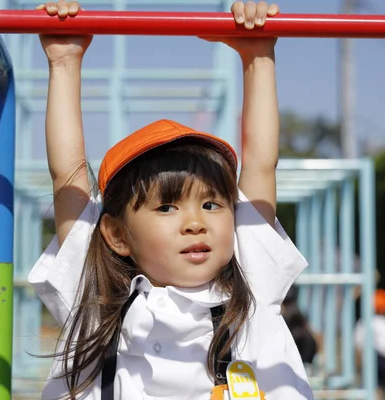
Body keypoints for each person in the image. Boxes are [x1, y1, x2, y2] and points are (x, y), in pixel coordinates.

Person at [28, 1, 313, 399]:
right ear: (116, 234)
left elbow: (262, 164)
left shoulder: (250, 280)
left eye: (212, 205)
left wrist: (258, 57)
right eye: (167, 207)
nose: (196, 222)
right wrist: (64, 62)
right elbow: (68, 176)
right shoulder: (101, 297)